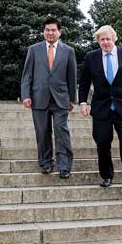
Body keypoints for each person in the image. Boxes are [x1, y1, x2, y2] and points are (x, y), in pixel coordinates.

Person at [78, 25, 122, 197]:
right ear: (98, 41)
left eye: (108, 39)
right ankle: (107, 175)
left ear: (114, 38)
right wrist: (82, 102)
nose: (106, 42)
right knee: (102, 144)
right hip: (101, 108)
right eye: (102, 39)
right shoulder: (91, 57)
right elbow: (85, 81)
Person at [21, 16, 78, 179]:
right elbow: (27, 75)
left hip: (61, 98)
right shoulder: (34, 49)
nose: (50, 33)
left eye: (53, 30)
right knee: (42, 132)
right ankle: (45, 163)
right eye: (47, 30)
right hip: (39, 98)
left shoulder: (68, 51)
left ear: (59, 32)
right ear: (43, 32)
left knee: (62, 132)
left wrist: (72, 98)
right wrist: (26, 95)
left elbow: (72, 77)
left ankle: (64, 166)